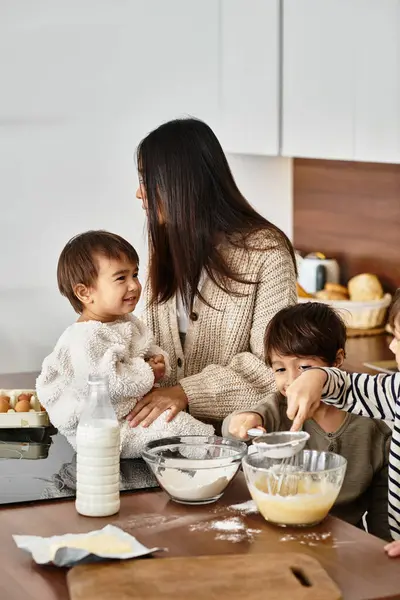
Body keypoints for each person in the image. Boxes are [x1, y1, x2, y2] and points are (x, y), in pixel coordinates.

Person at [127, 118, 297, 433]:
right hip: (165, 435)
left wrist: (186, 392)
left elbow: (275, 365)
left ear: (180, 183)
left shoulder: (267, 252)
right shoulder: (166, 242)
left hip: (238, 438)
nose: (139, 193)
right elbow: (148, 341)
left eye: (146, 179)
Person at [36, 230, 213, 458]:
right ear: (84, 292)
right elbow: (106, 384)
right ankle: (215, 456)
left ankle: (209, 454)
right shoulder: (84, 338)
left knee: (177, 421)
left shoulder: (126, 322)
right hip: (106, 432)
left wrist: (158, 361)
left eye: (135, 275)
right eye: (121, 278)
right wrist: (147, 370)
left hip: (129, 416)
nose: (134, 286)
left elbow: (144, 347)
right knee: (176, 425)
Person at [222, 303, 391, 540]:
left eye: (304, 367)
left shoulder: (374, 431)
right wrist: (243, 421)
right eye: (280, 369)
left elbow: (383, 526)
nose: (292, 381)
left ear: (337, 360)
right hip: (276, 536)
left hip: (344, 545)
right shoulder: (277, 409)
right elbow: (234, 430)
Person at [284, 289, 400, 555]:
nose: (391, 345)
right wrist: (319, 378)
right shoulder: (397, 389)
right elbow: (352, 388)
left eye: (398, 337)